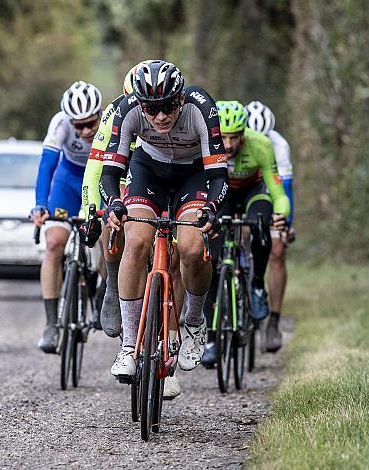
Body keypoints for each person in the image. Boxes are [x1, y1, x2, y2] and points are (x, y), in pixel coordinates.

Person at [100, 60, 229, 399]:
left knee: (190, 247)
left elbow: (218, 178)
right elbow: (110, 174)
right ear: (140, 104)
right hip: (149, 171)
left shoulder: (202, 108)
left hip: (194, 175)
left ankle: (195, 322)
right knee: (137, 239)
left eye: (168, 106)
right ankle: (129, 346)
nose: (160, 117)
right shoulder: (126, 109)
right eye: (152, 109)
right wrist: (114, 203)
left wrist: (212, 210)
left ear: (181, 98)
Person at [200, 100, 289, 367]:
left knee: (261, 225)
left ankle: (258, 286)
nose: (228, 144)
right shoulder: (207, 144)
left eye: (235, 137)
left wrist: (281, 214)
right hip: (222, 194)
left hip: (253, 192)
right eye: (224, 137)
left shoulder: (260, 144)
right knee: (211, 261)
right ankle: (213, 339)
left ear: (243, 133)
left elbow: (278, 191)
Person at [80, 60, 151, 337]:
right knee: (112, 219)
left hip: (158, 170)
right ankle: (112, 283)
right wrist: (90, 210)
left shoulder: (170, 115)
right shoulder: (114, 113)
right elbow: (95, 167)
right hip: (123, 170)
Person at [31, 81, 102, 353]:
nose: (84, 131)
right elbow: (46, 165)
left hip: (98, 177)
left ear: (99, 115)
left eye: (90, 124)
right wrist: (40, 204)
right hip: (68, 179)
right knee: (54, 244)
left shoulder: (110, 121)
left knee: (107, 239)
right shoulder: (60, 122)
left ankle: (101, 291)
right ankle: (51, 322)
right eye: (78, 125)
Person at [246, 100, 294, 352]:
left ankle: (273, 321)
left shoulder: (278, 145)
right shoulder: (235, 142)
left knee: (277, 250)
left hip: (269, 190)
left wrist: (286, 223)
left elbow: (285, 189)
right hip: (244, 190)